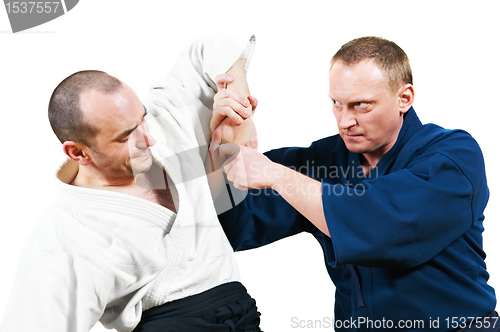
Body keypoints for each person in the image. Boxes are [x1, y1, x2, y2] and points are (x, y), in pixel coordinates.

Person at [214, 36, 498, 331]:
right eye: (337, 103)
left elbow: (383, 226)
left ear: (405, 98)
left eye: (361, 105)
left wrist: (277, 175)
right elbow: (227, 226)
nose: (344, 121)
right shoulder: (323, 161)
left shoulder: (453, 156)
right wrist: (221, 142)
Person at [0, 33, 262, 332]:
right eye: (126, 136)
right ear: (78, 152)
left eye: (143, 118)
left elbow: (217, 43)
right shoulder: (65, 240)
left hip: (242, 313)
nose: (148, 138)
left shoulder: (163, 127)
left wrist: (241, 116)